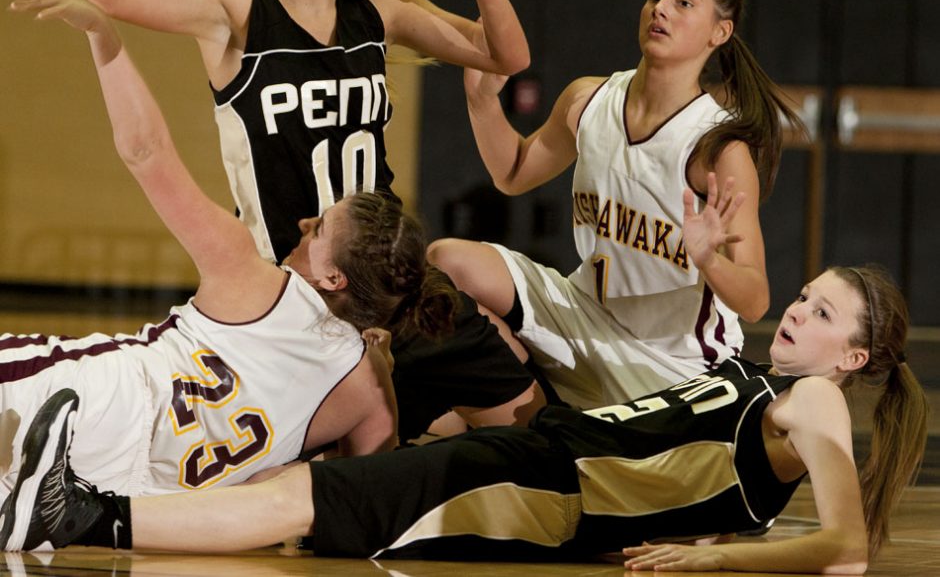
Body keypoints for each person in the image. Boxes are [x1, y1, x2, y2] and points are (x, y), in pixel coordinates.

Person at [1, 244, 928, 571]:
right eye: (803, 296)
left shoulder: (816, 400)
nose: (796, 311)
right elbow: (710, 476)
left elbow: (845, 546)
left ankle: (81, 513)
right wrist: (713, 524)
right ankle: (89, 507)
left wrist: (712, 557)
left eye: (822, 313)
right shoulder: (768, 386)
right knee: (306, 497)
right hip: (539, 467)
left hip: (543, 488)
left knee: (306, 500)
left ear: (853, 358)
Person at [85, 0, 544, 441]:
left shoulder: (376, 11)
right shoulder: (235, 10)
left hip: (389, 279)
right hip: (295, 290)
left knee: (532, 428)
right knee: (356, 460)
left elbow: (507, 56)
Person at [0, 0, 461, 504]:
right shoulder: (367, 391)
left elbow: (146, 151)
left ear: (335, 276)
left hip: (88, 401)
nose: (304, 223)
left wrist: (102, 32)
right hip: (133, 495)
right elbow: (356, 498)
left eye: (319, 228)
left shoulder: (249, 275)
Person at [428, 0, 807, 409]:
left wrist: (709, 260)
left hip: (672, 361)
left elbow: (756, 300)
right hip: (583, 314)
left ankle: (557, 427)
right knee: (447, 260)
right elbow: (513, 172)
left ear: (719, 32)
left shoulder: (718, 147)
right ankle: (534, 423)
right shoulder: (588, 99)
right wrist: (481, 101)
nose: (660, 8)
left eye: (684, 2)